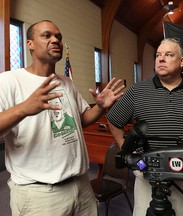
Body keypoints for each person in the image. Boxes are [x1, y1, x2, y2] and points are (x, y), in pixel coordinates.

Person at [0, 20, 125, 216]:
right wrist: (24, 108)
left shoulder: (66, 82)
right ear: (30, 44)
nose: (55, 40)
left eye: (58, 36)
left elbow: (81, 119)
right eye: (46, 35)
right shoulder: (9, 81)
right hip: (40, 194)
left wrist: (100, 108)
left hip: (81, 185)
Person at [106, 38, 183, 216]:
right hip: (148, 175)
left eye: (168, 54)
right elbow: (114, 120)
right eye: (158, 55)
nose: (161, 59)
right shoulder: (137, 91)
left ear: (182, 61)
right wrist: (126, 151)